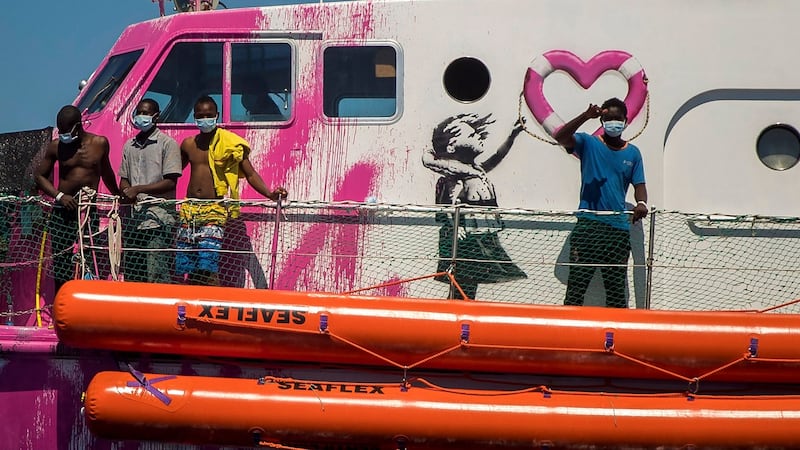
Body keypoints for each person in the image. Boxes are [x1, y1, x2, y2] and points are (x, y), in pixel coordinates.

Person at [178, 95, 287, 286]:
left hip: (214, 209)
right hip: (189, 210)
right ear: (194, 117)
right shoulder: (188, 144)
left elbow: (250, 173)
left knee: (208, 264)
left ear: (217, 115)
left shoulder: (229, 144)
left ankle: (213, 304)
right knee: (189, 265)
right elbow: (172, 173)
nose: (205, 119)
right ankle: (191, 306)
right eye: (200, 115)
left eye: (209, 115)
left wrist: (269, 194)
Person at [553, 98, 648, 308]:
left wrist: (641, 203)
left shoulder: (633, 153)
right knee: (576, 290)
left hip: (618, 230)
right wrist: (585, 116)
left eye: (618, 118)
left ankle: (615, 338)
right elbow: (560, 137)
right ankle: (570, 337)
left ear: (626, 120)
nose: (613, 122)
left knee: (616, 294)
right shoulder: (588, 143)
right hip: (588, 226)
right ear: (602, 120)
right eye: (608, 118)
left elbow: (639, 184)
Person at [423, 113, 527, 299]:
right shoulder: (458, 174)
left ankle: (462, 313)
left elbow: (497, 156)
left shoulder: (476, 170)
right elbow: (449, 202)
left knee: (470, 283)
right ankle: (457, 316)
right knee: (464, 281)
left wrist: (512, 136)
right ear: (452, 146)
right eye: (472, 136)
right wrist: (456, 227)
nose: (478, 137)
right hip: (468, 238)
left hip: (482, 234)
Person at [34, 105, 120, 295]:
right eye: (61, 131)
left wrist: (118, 195)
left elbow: (106, 173)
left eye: (67, 131)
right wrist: (59, 196)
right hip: (62, 210)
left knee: (88, 257)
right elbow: (39, 176)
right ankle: (61, 301)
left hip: (88, 212)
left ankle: (84, 301)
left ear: (78, 126)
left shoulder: (99, 143)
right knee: (61, 260)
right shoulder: (56, 146)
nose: (64, 135)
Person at [119, 99, 182, 283]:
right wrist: (126, 191)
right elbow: (124, 179)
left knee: (157, 274)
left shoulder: (167, 144)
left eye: (146, 113)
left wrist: (138, 190)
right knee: (132, 275)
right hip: (133, 221)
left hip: (158, 220)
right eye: (139, 112)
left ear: (156, 116)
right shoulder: (129, 145)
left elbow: (170, 182)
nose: (141, 117)